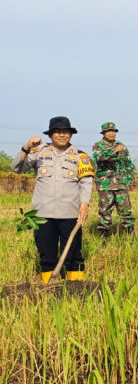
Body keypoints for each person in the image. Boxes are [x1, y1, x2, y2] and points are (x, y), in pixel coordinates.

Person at [11, 116, 94, 283]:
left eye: (65, 132)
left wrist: (84, 205)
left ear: (71, 134)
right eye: (57, 132)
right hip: (42, 213)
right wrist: (26, 147)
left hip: (70, 213)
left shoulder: (80, 156)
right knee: (46, 253)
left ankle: (76, 288)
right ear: (50, 135)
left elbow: (86, 183)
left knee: (73, 253)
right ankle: (48, 288)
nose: (61, 135)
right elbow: (16, 168)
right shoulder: (39, 152)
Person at [92, 122, 135, 237]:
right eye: (109, 131)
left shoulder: (122, 145)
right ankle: (104, 236)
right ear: (104, 133)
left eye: (113, 131)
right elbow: (100, 158)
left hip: (121, 183)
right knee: (105, 210)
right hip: (105, 184)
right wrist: (114, 151)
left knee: (125, 210)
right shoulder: (98, 146)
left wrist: (131, 179)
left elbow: (128, 163)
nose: (111, 133)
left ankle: (129, 235)